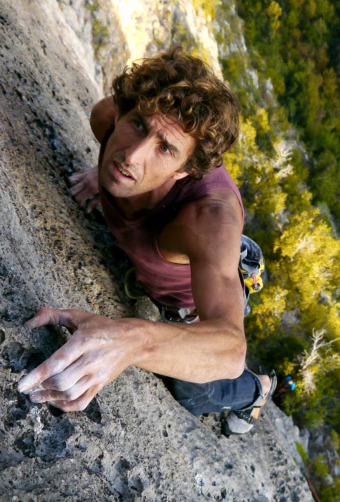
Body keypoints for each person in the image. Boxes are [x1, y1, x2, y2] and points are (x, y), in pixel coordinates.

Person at [16, 47, 274, 435]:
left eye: (165, 148)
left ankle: (257, 389)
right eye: (138, 124)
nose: (132, 155)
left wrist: (131, 340)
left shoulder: (206, 218)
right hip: (188, 253)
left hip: (208, 276)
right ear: (123, 111)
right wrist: (103, 176)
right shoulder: (107, 119)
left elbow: (229, 349)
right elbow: (124, 143)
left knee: (190, 390)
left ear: (186, 169)